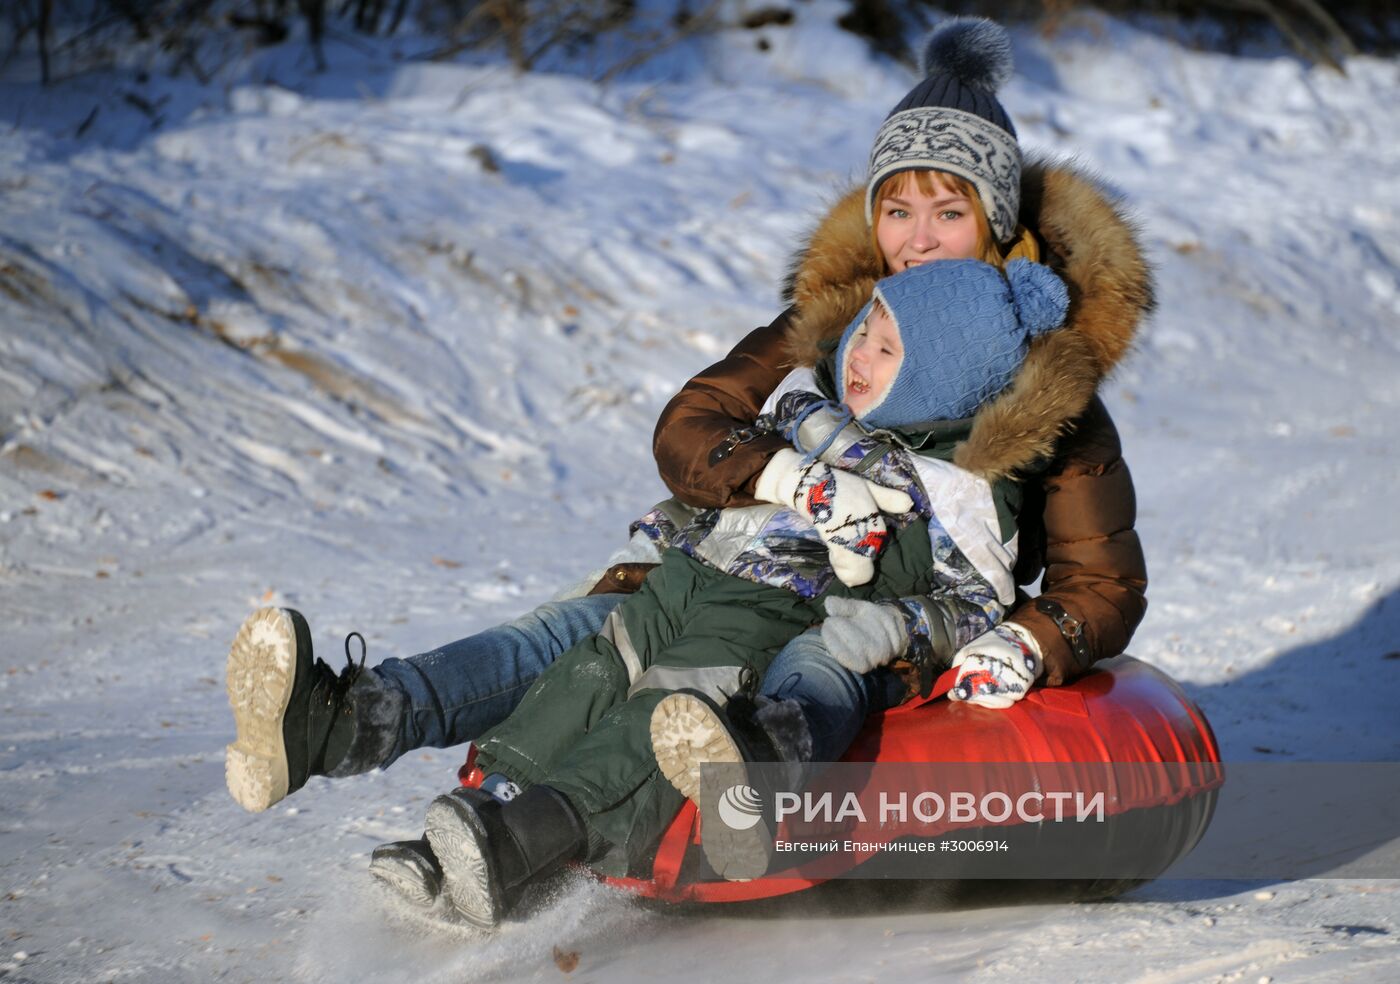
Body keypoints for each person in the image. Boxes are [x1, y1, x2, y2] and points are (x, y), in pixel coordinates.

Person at [224, 14, 1150, 916]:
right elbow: (692, 425)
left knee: (681, 674)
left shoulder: (1045, 390)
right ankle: (354, 724)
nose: (915, 238)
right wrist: (780, 474)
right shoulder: (832, 329)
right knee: (567, 637)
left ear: (994, 224)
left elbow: (1099, 580)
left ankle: (536, 832)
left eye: (947, 212)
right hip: (721, 563)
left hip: (829, 618)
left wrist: (1029, 639)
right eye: (896, 209)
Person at [413, 256, 1068, 927]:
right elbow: (716, 466)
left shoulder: (959, 487)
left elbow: (978, 598)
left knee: (701, 690)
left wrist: (898, 627)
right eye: (864, 331)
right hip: (705, 579)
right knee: (594, 669)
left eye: (887, 348)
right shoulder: (810, 414)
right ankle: (488, 811)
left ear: (941, 377)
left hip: (820, 626)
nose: (860, 354)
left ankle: (542, 836)